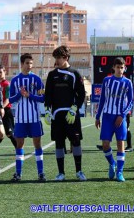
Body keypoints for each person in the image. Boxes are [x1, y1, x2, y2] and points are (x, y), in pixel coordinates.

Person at [45, 46, 87, 182]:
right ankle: (61, 173)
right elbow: (48, 95)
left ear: (66, 58)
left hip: (71, 115)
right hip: (57, 115)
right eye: (55, 58)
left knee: (75, 142)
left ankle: (79, 171)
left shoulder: (75, 73)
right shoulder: (52, 75)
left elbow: (82, 94)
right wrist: (47, 110)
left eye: (59, 57)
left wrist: (75, 108)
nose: (57, 60)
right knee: (58, 143)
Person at [95, 57, 134, 182]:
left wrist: (122, 115)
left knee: (120, 144)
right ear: (113, 68)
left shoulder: (127, 82)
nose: (119, 70)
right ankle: (112, 163)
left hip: (120, 118)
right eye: (117, 67)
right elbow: (102, 100)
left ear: (124, 68)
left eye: (121, 67)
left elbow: (131, 101)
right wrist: (97, 116)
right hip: (107, 116)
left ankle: (120, 172)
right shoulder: (106, 80)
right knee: (105, 144)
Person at [9, 53, 46, 182]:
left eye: (31, 63)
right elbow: (10, 99)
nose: (29, 66)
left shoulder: (36, 80)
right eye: (27, 63)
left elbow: (43, 98)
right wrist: (20, 94)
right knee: (19, 145)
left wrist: (30, 95)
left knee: (37, 144)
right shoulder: (14, 81)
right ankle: (18, 173)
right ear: (22, 64)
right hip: (20, 119)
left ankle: (41, 173)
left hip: (34, 118)